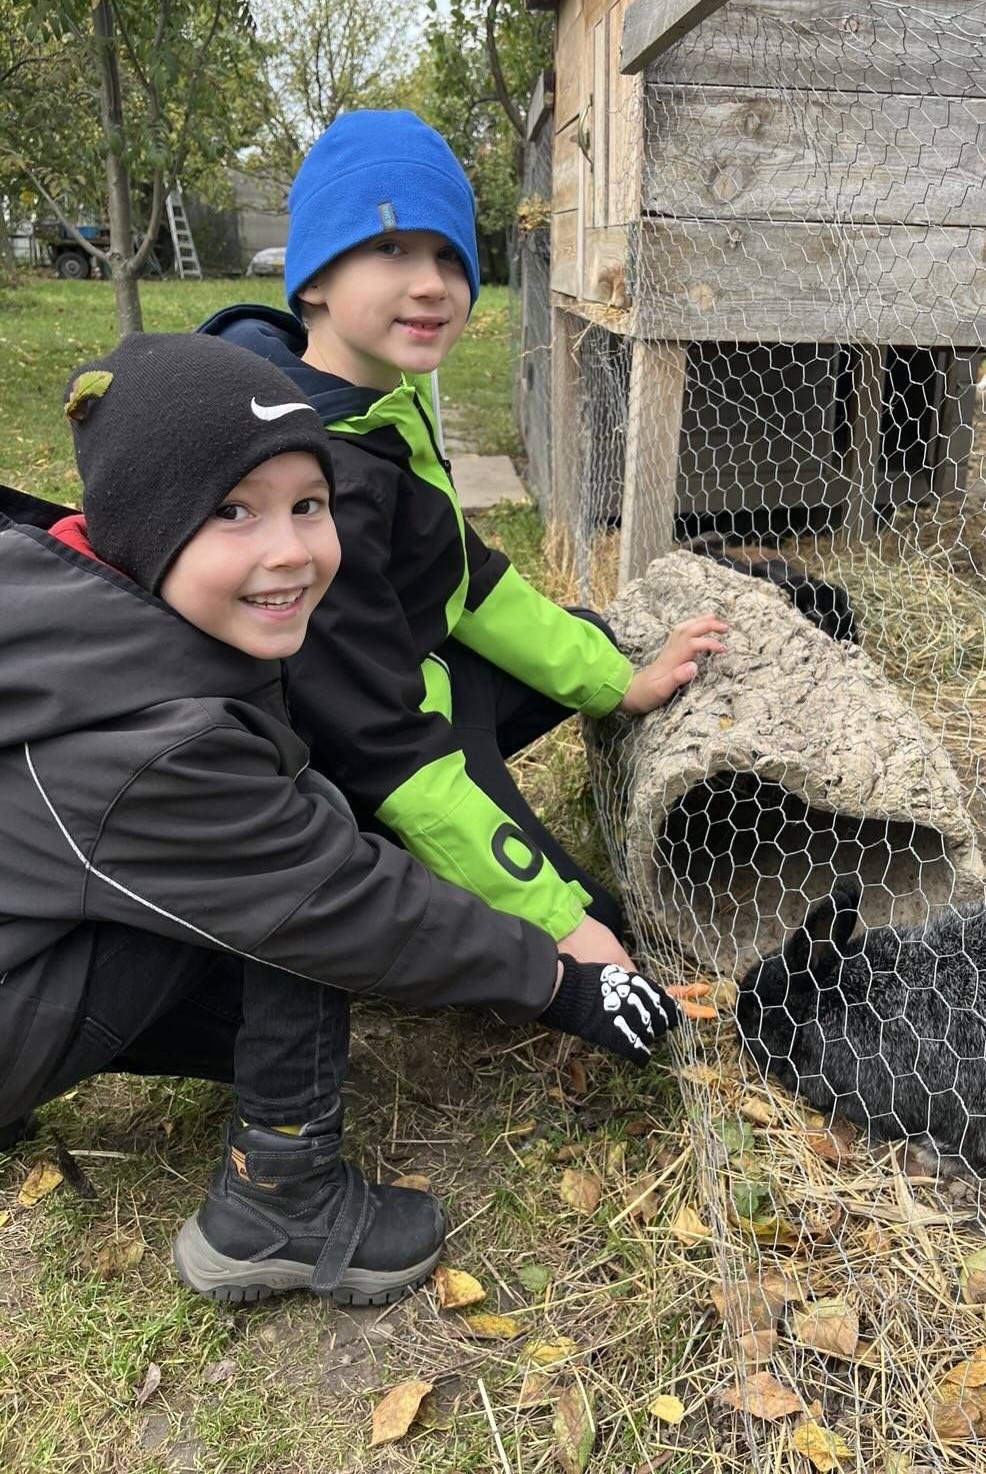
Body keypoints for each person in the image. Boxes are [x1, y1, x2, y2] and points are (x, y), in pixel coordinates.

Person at [0, 332, 680, 1307]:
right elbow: (334, 897)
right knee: (308, 858)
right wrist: (559, 981)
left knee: (299, 870)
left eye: (308, 505)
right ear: (145, 525)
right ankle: (278, 1199)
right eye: (232, 510)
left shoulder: (74, 615)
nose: (289, 549)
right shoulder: (156, 744)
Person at [199, 109, 727, 971]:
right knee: (599, 934)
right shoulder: (312, 484)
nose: (433, 284)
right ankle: (390, 869)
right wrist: (558, 922)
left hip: (420, 684)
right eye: (391, 248)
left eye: (450, 255)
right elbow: (381, 745)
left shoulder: (380, 403)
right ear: (315, 278)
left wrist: (620, 684)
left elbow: (463, 578)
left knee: (590, 641)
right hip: (350, 764)